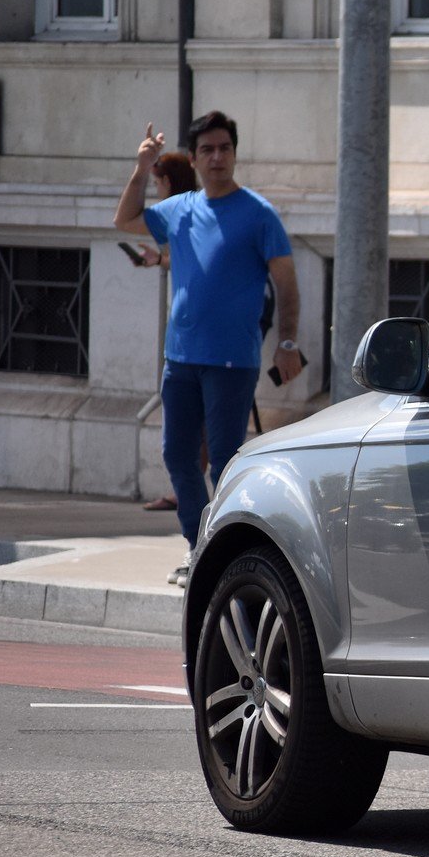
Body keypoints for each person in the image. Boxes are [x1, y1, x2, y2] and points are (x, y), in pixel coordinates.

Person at [113, 111, 302, 579]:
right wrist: (142, 168)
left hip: (232, 360)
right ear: (195, 159)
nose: (217, 157)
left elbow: (287, 284)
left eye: (225, 148)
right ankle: (200, 548)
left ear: (234, 154)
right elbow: (126, 219)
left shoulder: (259, 214)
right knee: (178, 455)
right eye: (208, 150)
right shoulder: (180, 210)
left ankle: (225, 553)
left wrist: (287, 341)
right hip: (180, 358)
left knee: (225, 463)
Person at [129, 151, 203, 513]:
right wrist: (159, 260)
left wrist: (161, 259)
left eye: (157, 183)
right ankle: (189, 494)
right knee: (185, 434)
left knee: (202, 426)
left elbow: (196, 258)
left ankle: (196, 496)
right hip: (190, 335)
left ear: (169, 182)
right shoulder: (175, 212)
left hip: (213, 335)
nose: (156, 189)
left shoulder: (186, 210)